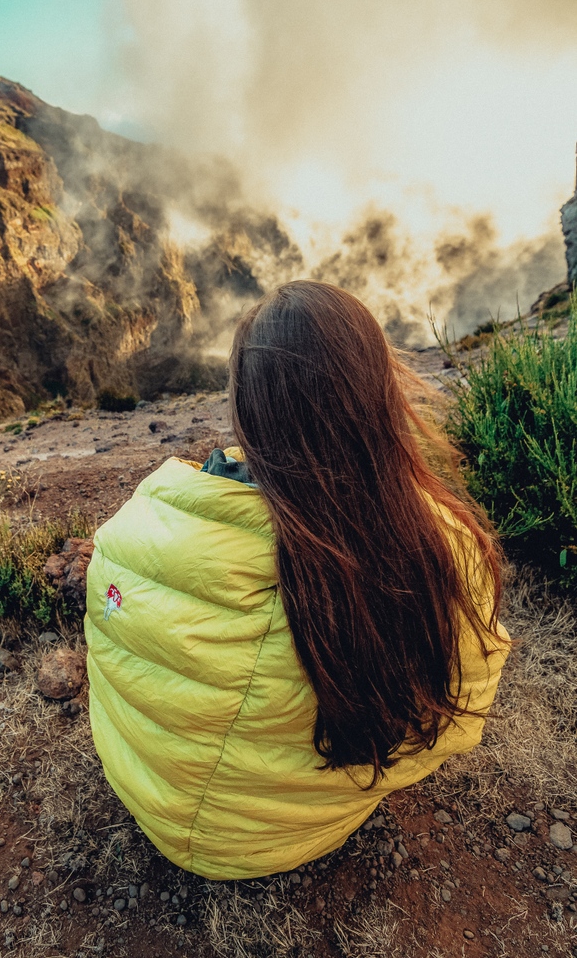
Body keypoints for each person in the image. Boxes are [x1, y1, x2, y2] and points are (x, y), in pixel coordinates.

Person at [84, 280, 510, 881]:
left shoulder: (138, 524)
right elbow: (457, 713)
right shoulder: (434, 547)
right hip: (282, 838)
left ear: (246, 404)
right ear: (377, 392)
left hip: (149, 798)